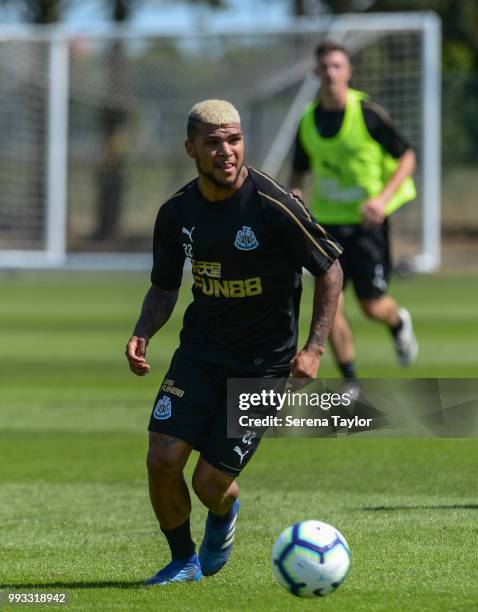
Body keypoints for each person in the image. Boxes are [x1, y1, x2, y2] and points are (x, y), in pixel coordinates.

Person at [125, 99, 343, 585]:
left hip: (263, 366)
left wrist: (313, 348)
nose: (227, 151)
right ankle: (183, 562)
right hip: (199, 354)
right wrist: (143, 331)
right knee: (161, 460)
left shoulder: (275, 205)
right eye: (213, 142)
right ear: (191, 149)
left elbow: (330, 269)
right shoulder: (176, 213)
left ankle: (223, 515)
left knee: (210, 483)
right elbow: (165, 288)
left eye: (234, 139)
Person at [290, 40, 418, 382]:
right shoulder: (307, 122)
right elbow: (298, 172)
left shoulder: (368, 115)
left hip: (367, 225)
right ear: (316, 72)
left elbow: (407, 157)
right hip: (327, 229)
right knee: (328, 310)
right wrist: (295, 194)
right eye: (325, 67)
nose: (331, 73)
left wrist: (381, 200)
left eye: (337, 66)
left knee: (372, 305)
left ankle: (398, 321)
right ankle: (352, 381)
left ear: (348, 71)